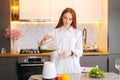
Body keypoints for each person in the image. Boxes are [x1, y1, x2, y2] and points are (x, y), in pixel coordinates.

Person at [39, 7, 83, 74]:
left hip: (72, 69)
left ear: (73, 20)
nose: (67, 21)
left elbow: (80, 51)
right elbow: (41, 50)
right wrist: (43, 40)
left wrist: (70, 53)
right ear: (62, 17)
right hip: (57, 68)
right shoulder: (54, 32)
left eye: (70, 19)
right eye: (65, 18)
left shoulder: (77, 33)